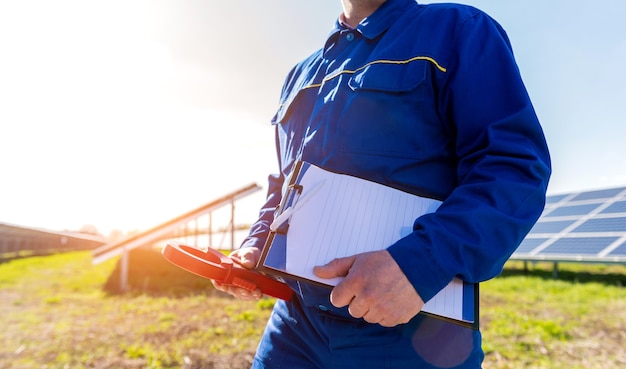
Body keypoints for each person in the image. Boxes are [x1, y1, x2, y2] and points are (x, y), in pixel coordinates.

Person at [214, 0, 551, 367]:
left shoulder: (459, 29)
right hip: (295, 329)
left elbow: (512, 166)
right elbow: (284, 183)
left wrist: (420, 264)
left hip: (414, 333)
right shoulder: (301, 73)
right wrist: (257, 245)